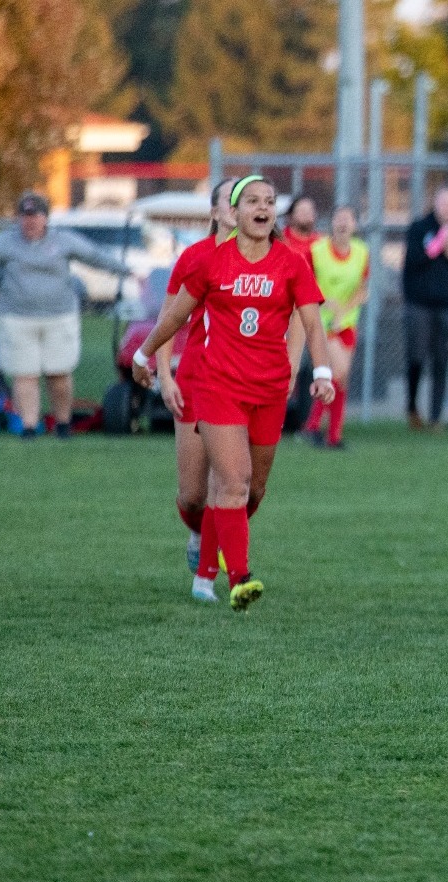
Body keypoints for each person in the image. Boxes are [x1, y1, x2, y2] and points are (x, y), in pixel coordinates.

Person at [131, 175, 335, 610]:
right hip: (216, 384)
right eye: (251, 201)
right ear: (232, 213)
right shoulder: (208, 261)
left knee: (253, 489)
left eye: (269, 202)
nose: (262, 208)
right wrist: (146, 357)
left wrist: (320, 371)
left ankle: (209, 564)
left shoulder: (292, 262)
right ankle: (237, 577)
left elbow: (312, 322)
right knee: (228, 483)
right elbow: (173, 318)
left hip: (269, 389)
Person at [149, 177, 237, 578]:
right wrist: (164, 376)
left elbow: (295, 314)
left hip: (243, 385)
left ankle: (217, 559)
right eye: (231, 200)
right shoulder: (195, 257)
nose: (241, 206)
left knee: (235, 485)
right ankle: (199, 534)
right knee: (193, 495)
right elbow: (170, 319)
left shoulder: (274, 259)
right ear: (216, 211)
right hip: (197, 381)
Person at [0, 192, 132, 438]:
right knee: (25, 374)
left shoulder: (63, 241)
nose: (30, 222)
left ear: (45, 218)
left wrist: (125, 270)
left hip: (58, 315)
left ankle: (63, 423)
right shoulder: (6, 243)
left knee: (59, 372)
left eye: (35, 216)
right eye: (25, 217)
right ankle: (28, 426)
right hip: (17, 316)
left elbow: (94, 256)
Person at [401, 186, 448, 430]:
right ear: (435, 203)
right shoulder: (419, 228)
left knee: (442, 361)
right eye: (444, 202)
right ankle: (411, 407)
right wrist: (435, 247)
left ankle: (435, 417)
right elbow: (411, 262)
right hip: (418, 305)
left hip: (447, 307)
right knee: (416, 358)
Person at [303, 204, 369, 449]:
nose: (342, 223)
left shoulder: (362, 251)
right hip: (323, 321)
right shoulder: (318, 250)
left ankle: (331, 435)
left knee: (341, 378)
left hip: (347, 321)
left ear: (355, 225)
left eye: (348, 219)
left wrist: (345, 308)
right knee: (338, 371)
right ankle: (314, 425)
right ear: (331, 223)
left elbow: (363, 288)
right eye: (338, 218)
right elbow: (305, 281)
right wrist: (324, 301)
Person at [280, 196, 319, 263]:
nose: (306, 214)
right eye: (302, 210)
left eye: (310, 211)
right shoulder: (279, 240)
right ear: (290, 216)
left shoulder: (321, 243)